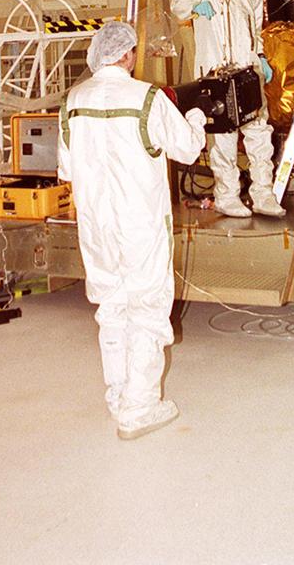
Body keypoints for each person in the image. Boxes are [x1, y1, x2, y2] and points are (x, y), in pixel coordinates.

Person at [58, 22, 207, 440]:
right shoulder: (148, 98)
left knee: (110, 305)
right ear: (126, 55)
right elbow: (188, 148)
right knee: (146, 306)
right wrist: (193, 117)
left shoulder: (73, 100)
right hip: (139, 224)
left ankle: (118, 391)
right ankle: (139, 407)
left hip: (96, 224)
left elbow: (67, 168)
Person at [170, 0, 285, 218]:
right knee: (223, 136)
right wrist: (197, 7)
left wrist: (260, 56)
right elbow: (179, 3)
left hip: (247, 68)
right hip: (216, 68)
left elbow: (255, 26)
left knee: (259, 132)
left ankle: (263, 194)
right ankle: (227, 195)